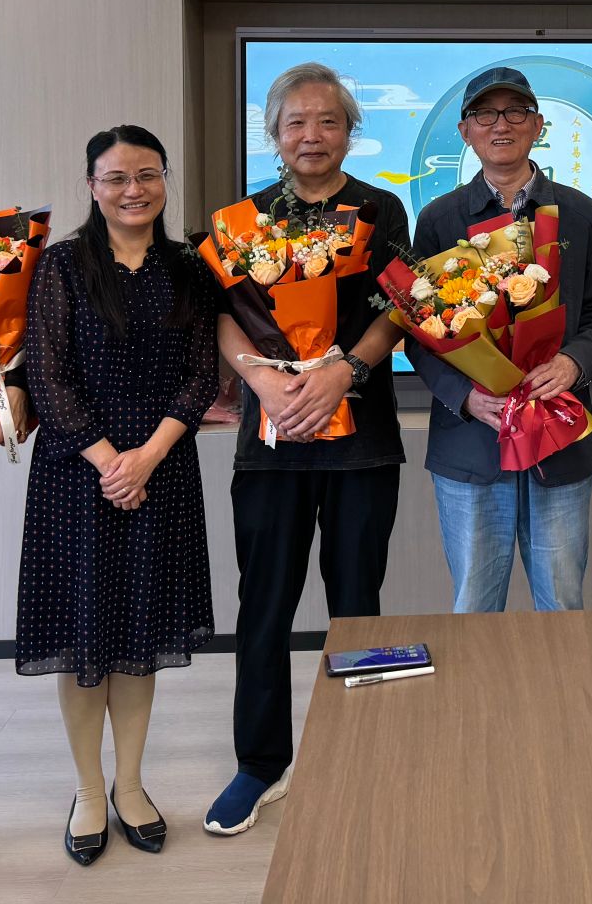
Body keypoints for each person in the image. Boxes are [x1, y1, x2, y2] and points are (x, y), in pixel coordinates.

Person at [205, 65, 410, 837]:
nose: (312, 135)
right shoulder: (243, 218)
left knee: (359, 606)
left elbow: (400, 306)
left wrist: (342, 373)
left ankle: (363, 754)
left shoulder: (381, 209)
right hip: (271, 442)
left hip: (362, 439)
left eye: (328, 121)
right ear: (274, 133)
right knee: (263, 605)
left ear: (350, 131)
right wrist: (262, 380)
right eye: (296, 122)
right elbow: (223, 312)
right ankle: (259, 764)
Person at [18, 125, 220, 863]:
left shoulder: (190, 265)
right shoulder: (62, 264)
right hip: (77, 472)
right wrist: (111, 463)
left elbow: (203, 373)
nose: (133, 190)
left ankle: (131, 783)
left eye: (147, 174)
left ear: (164, 179)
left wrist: (148, 458)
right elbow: (46, 374)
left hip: (162, 468)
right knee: (83, 637)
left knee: (139, 633)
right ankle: (88, 790)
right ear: (92, 186)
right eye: (115, 177)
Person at [413, 66, 592, 613]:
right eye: (485, 114)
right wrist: (464, 396)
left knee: (562, 604)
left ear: (538, 125)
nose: (500, 125)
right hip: (471, 443)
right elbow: (419, 332)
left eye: (515, 112)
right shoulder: (438, 219)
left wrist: (573, 363)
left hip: (559, 436)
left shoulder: (580, 213)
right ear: (465, 131)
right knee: (474, 608)